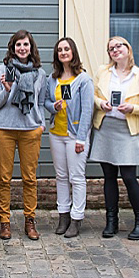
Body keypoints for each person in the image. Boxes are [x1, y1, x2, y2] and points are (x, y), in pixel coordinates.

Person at [89, 37, 139, 240]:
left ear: (128, 48)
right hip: (106, 127)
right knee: (109, 177)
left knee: (128, 177)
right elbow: (93, 95)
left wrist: (133, 108)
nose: (115, 50)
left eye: (119, 46)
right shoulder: (103, 71)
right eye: (111, 48)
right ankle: (111, 221)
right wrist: (102, 104)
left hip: (127, 129)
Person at [0, 30, 48, 240]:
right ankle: (4, 222)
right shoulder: (1, 69)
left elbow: (41, 103)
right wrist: (7, 89)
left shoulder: (40, 73)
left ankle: (29, 221)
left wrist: (41, 124)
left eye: (25, 44)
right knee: (4, 178)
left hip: (30, 130)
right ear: (12, 48)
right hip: (4, 129)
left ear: (31, 47)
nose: (22, 48)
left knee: (30, 178)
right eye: (18, 45)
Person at [45, 37, 94, 237]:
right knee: (61, 176)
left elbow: (87, 111)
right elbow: (46, 102)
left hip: (75, 135)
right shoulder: (52, 79)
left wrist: (82, 138)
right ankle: (63, 215)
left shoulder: (83, 79)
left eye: (66, 49)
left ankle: (76, 218)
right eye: (60, 50)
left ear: (73, 52)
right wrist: (53, 106)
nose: (63, 52)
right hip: (56, 133)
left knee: (76, 177)